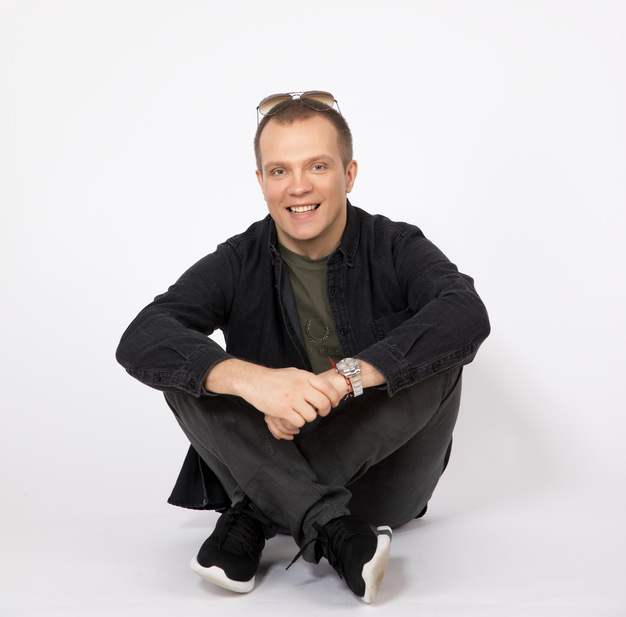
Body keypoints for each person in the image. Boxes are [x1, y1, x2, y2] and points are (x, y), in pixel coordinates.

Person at [116, 90, 490, 603]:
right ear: (261, 182)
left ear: (349, 174)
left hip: (380, 488)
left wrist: (346, 378)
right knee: (185, 366)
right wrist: (257, 383)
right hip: (273, 454)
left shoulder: (395, 245)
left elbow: (465, 312)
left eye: (317, 166)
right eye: (279, 171)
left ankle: (252, 517)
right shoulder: (239, 260)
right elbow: (143, 336)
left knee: (437, 355)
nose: (298, 187)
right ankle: (336, 533)